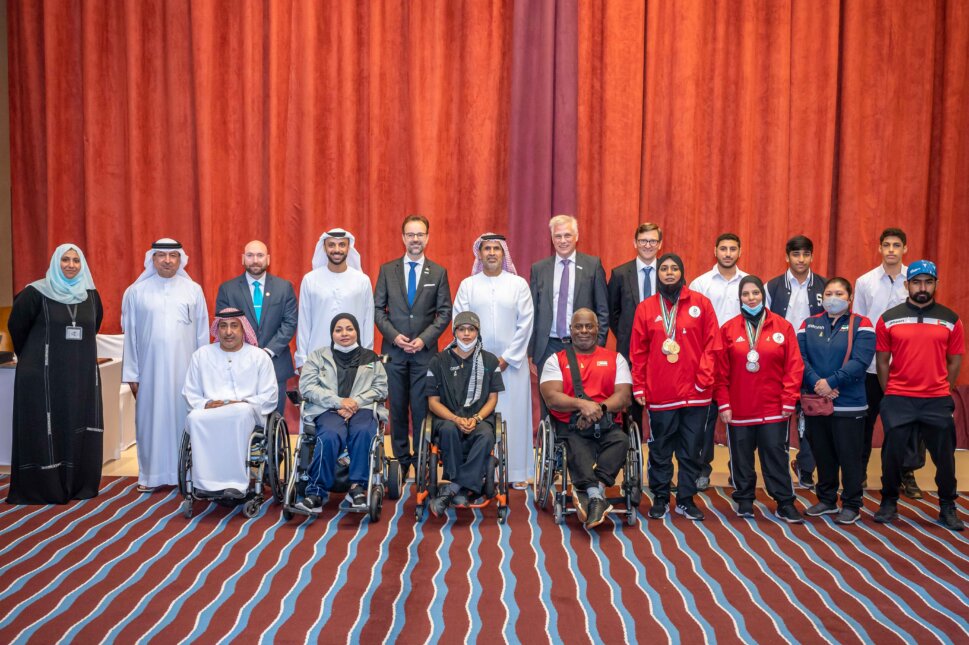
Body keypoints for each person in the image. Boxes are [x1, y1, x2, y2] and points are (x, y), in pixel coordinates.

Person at [6, 244, 104, 505]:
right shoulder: (34, 293)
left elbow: (93, 327)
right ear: (55, 263)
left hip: (78, 376)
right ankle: (45, 487)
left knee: (75, 424)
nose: (71, 265)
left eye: (76, 260)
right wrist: (37, 358)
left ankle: (76, 484)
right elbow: (17, 328)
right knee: (46, 427)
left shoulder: (90, 296)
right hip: (42, 375)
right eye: (65, 260)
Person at [874, 261, 964, 531]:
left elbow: (955, 361)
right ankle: (889, 501)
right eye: (916, 282)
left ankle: (947, 505)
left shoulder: (951, 319)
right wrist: (890, 393)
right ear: (907, 285)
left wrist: (943, 389)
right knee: (892, 454)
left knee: (945, 458)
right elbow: (882, 361)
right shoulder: (889, 318)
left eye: (928, 282)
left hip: (936, 400)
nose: (922, 287)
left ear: (936, 284)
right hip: (898, 398)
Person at [631, 253, 721, 521]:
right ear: (658, 274)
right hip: (661, 393)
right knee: (660, 450)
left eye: (674, 268)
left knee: (691, 450)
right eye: (664, 269)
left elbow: (713, 345)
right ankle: (660, 498)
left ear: (682, 272)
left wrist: (704, 379)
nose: (669, 273)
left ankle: (685, 499)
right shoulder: (646, 308)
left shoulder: (701, 304)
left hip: (696, 393)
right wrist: (639, 386)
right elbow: (638, 352)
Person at [715, 276, 804, 523]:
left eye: (755, 293)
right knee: (741, 457)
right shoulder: (728, 329)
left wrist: (789, 400)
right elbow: (720, 371)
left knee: (775, 456)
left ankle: (785, 502)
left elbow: (794, 366)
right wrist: (724, 403)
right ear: (739, 298)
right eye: (745, 294)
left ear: (763, 296)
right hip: (739, 408)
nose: (751, 298)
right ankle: (744, 499)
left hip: (774, 408)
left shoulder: (782, 327)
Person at [122, 239, 209, 492]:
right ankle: (151, 475)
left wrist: (203, 374)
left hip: (186, 372)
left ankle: (188, 473)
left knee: (185, 420)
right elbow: (130, 336)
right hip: (149, 373)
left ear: (181, 259)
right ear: (153, 258)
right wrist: (132, 373)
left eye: (173, 256)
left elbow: (202, 336)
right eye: (161, 255)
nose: (167, 260)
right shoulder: (136, 292)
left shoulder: (193, 290)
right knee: (151, 423)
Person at [454, 233, 534, 490]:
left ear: (503, 253)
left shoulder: (518, 284)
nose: (491, 253)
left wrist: (507, 358)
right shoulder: (468, 285)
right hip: (476, 364)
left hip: (512, 365)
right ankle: (480, 471)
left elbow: (526, 323)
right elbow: (460, 322)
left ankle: (517, 471)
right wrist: (476, 357)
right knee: (480, 418)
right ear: (479, 253)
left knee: (515, 416)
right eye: (486, 248)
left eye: (496, 249)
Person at [540, 309, 633, 529]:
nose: (584, 331)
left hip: (606, 423)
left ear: (597, 329)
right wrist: (582, 405)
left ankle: (593, 492)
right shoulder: (556, 360)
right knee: (574, 445)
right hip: (571, 426)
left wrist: (597, 409)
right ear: (570, 330)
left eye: (589, 326)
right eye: (578, 326)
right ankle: (595, 496)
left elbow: (624, 396)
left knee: (622, 441)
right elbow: (551, 397)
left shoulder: (615, 359)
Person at [374, 215, 452, 474]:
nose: (415, 239)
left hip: (424, 354)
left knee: (421, 409)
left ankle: (421, 461)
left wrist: (424, 339)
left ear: (427, 238)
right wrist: (394, 336)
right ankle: (400, 462)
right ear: (403, 238)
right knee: (396, 408)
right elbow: (378, 309)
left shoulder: (438, 272)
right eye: (410, 234)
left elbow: (444, 313)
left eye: (420, 234)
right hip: (394, 353)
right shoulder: (387, 270)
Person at [796, 278, 875, 525]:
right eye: (829, 293)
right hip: (816, 401)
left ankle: (852, 504)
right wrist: (818, 384)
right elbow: (800, 359)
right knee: (823, 454)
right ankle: (827, 499)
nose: (833, 297)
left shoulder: (862, 324)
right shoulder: (808, 324)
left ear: (850, 298)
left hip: (849, 403)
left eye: (839, 293)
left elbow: (860, 361)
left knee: (850, 456)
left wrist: (831, 383)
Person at [296, 313, 389, 512]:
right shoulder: (318, 356)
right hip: (328, 409)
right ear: (332, 333)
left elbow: (381, 388)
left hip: (362, 408)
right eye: (338, 330)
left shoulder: (371, 358)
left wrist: (355, 402)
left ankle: (357, 487)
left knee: (363, 431)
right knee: (329, 434)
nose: (344, 333)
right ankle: (316, 492)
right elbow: (307, 387)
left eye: (349, 329)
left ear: (357, 331)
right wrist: (339, 402)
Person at [853, 228, 922, 497]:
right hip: (871, 366)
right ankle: (858, 473)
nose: (891, 250)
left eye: (896, 245)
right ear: (879, 248)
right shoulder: (865, 282)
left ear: (905, 249)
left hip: (905, 366)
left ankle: (906, 474)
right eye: (886, 245)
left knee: (905, 423)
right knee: (864, 422)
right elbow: (859, 323)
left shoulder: (915, 280)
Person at [181, 309, 278, 498]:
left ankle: (235, 484)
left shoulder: (259, 356)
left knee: (239, 413)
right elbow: (190, 392)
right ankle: (204, 483)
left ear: (243, 329)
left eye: (234, 326)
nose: (228, 332)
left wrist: (243, 402)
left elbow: (270, 395)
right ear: (217, 330)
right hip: (210, 411)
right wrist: (206, 404)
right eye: (223, 326)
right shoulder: (201, 355)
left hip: (246, 412)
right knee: (194, 418)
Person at [426, 312, 505, 517]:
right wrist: (455, 419)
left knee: (486, 435)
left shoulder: (490, 361)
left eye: (471, 329)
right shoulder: (438, 361)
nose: (467, 334)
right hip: (449, 418)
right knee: (449, 430)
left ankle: (453, 488)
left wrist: (476, 418)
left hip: (479, 418)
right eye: (462, 329)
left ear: (478, 332)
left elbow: (493, 399)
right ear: (455, 332)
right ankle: (462, 488)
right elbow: (433, 402)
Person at [687, 233, 747, 491]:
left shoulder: (748, 282)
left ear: (739, 252)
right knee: (706, 419)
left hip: (742, 359)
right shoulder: (701, 283)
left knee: (740, 416)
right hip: (708, 358)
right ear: (715, 251)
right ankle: (702, 470)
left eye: (733, 249)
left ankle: (739, 471)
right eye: (723, 248)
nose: (728, 253)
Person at [766, 235, 826, 490]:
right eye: (795, 254)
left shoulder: (825, 286)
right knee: (778, 413)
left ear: (812, 256)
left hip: (815, 359)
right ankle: (777, 467)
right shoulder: (772, 287)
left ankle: (806, 465)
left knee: (812, 414)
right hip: (779, 359)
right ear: (787, 257)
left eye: (805, 254)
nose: (801, 259)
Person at [216, 240, 298, 415]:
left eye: (260, 255)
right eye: (250, 255)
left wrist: (268, 351)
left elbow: (290, 323)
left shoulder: (284, 288)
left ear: (268, 259)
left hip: (275, 364)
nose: (255, 260)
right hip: (239, 364)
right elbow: (224, 326)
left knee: (275, 419)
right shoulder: (228, 289)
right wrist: (248, 351)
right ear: (242, 259)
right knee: (241, 417)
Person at [528, 215, 609, 382]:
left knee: (582, 395)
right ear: (552, 239)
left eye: (567, 235)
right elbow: (533, 312)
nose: (563, 240)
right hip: (547, 347)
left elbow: (603, 311)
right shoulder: (539, 269)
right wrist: (531, 351)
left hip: (583, 344)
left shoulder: (592, 266)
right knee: (549, 396)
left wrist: (597, 345)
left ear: (576, 236)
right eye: (558, 236)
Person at [608, 222, 662, 427]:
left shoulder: (669, 272)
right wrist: (627, 334)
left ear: (660, 244)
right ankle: (632, 444)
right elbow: (612, 312)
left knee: (662, 404)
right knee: (631, 406)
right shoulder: (620, 274)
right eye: (643, 241)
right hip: (629, 349)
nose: (647, 245)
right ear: (635, 243)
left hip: (663, 349)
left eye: (652, 241)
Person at [296, 228, 374, 367]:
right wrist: (302, 360)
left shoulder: (362, 281)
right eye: (331, 245)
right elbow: (304, 323)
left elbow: (367, 323)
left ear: (348, 248)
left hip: (355, 360)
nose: (337, 249)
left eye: (342, 245)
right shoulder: (310, 280)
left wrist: (367, 359)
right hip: (317, 359)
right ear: (324, 248)